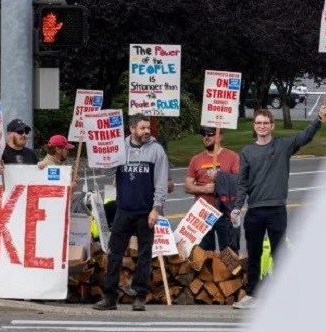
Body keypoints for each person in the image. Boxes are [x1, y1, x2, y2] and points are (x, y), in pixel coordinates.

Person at [231, 104, 326, 309]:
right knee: (254, 254)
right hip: (254, 211)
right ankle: (252, 295)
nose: (262, 126)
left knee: (279, 253)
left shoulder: (283, 145)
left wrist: (319, 119)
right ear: (254, 126)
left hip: (276, 209)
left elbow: (305, 136)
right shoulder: (247, 152)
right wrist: (237, 207)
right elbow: (242, 183)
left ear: (272, 126)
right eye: (258, 123)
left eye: (266, 123)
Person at [92, 114, 169, 312]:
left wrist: (156, 209)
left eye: (148, 128)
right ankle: (110, 297)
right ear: (132, 129)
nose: (147, 132)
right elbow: (107, 174)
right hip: (123, 210)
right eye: (142, 128)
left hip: (146, 212)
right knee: (115, 253)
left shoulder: (157, 150)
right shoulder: (119, 148)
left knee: (144, 254)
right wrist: (105, 156)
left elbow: (161, 183)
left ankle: (140, 296)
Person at [184, 126, 239, 251]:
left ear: (219, 137)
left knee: (229, 253)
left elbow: (239, 182)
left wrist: (219, 178)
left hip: (226, 212)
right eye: (204, 135)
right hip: (203, 214)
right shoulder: (196, 159)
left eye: (210, 134)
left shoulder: (232, 157)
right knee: (204, 255)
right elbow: (187, 186)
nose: (206, 137)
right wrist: (204, 189)